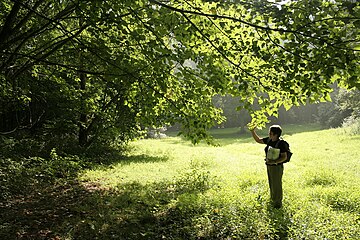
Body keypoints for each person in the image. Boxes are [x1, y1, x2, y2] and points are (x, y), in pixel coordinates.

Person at [249, 125, 288, 209]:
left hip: (277, 167)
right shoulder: (269, 140)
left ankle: (277, 204)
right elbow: (258, 140)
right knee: (272, 183)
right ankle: (273, 199)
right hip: (269, 166)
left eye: (270, 133)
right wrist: (252, 131)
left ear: (275, 134)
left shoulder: (281, 143)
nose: (268, 134)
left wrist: (274, 162)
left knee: (276, 184)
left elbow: (284, 157)